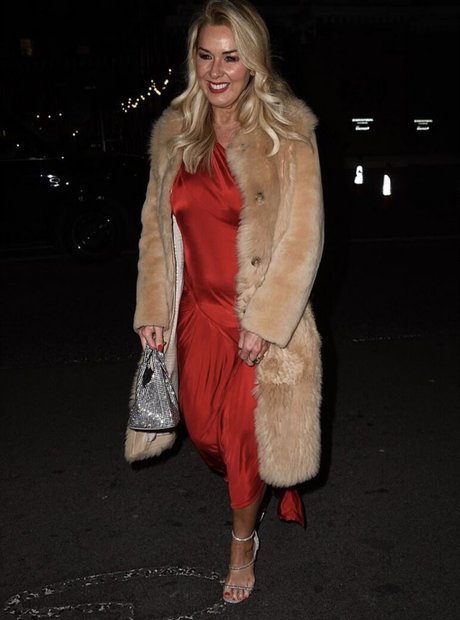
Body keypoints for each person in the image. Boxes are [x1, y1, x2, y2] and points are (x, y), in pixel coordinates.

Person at [134, 0, 324, 604]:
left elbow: (303, 240)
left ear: (254, 63)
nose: (217, 70)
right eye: (206, 55)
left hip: (260, 317)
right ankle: (253, 487)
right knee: (206, 435)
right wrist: (153, 311)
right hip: (195, 314)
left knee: (243, 436)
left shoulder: (286, 135)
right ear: (193, 61)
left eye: (232, 57)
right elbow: (155, 233)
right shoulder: (174, 135)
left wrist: (266, 323)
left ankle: (242, 543)